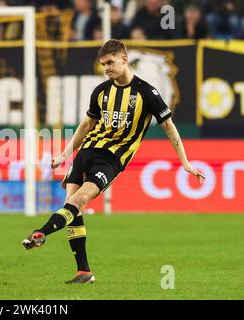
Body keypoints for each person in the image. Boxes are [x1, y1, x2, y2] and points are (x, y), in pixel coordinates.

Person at [22, 39, 205, 284]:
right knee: (72, 208)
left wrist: (185, 162)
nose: (107, 67)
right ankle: (83, 272)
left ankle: (41, 233)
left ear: (124, 59)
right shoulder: (101, 91)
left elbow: (169, 128)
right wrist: (65, 154)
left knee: (78, 200)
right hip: (87, 152)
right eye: (103, 64)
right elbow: (86, 125)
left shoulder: (147, 93)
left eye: (110, 62)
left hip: (112, 159)